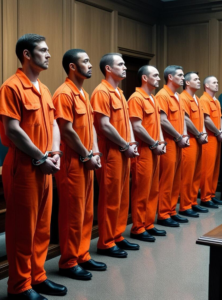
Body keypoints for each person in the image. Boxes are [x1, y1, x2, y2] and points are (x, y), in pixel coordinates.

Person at [0, 34, 67, 300]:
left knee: (42, 227)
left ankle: (37, 277)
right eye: (43, 50)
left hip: (45, 164)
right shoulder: (12, 86)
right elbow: (12, 130)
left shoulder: (45, 89)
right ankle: (19, 286)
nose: (49, 54)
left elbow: (53, 125)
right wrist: (41, 157)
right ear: (27, 54)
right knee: (22, 230)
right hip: (24, 167)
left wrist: (55, 153)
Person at [53, 49, 106, 281]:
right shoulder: (64, 94)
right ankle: (68, 261)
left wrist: (94, 151)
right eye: (85, 61)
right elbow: (66, 131)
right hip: (72, 163)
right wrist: (87, 155)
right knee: (72, 215)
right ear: (73, 67)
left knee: (86, 213)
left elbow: (92, 127)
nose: (91, 64)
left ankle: (82, 254)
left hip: (86, 160)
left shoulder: (82, 94)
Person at [90, 53, 139, 258]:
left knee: (121, 197)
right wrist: (124, 144)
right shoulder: (101, 92)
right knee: (110, 199)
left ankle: (117, 235)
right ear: (108, 69)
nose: (125, 67)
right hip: (111, 152)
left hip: (123, 151)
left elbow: (126, 121)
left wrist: (132, 142)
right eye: (120, 64)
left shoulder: (119, 93)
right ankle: (106, 242)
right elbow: (103, 125)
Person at [128, 65, 167, 242]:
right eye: (156, 75)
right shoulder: (136, 98)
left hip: (154, 149)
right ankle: (138, 227)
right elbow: (136, 126)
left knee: (153, 189)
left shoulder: (153, 98)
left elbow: (157, 124)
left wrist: (160, 142)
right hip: (143, 151)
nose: (159, 78)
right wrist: (153, 143)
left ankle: (148, 224)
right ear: (145, 78)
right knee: (141, 191)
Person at [156, 65, 190, 227]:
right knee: (167, 179)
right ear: (170, 77)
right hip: (169, 142)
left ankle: (171, 211)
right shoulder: (162, 95)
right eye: (180, 75)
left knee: (176, 178)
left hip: (178, 142)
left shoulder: (177, 96)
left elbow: (183, 118)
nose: (183, 78)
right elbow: (162, 121)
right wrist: (178, 137)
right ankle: (163, 214)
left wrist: (184, 135)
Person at [179, 72, 208, 217]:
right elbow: (186, 120)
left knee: (196, 173)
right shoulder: (183, 97)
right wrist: (198, 134)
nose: (199, 81)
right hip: (190, 140)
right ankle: (185, 205)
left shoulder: (196, 98)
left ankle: (192, 202)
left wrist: (202, 134)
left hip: (199, 140)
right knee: (188, 175)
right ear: (187, 83)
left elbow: (202, 118)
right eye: (196, 79)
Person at [200, 76, 222, 208]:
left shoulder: (216, 101)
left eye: (217, 82)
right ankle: (205, 197)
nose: (217, 84)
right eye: (214, 82)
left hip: (217, 138)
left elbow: (219, 118)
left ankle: (212, 195)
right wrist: (218, 132)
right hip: (209, 138)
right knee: (207, 169)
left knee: (215, 169)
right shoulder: (203, 100)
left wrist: (220, 131)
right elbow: (206, 120)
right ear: (206, 86)